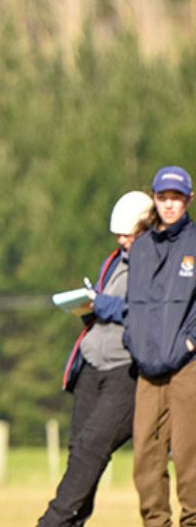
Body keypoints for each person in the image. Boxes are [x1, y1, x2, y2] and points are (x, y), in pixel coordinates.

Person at [37, 190, 153, 527]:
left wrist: (102, 304)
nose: (121, 241)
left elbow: (146, 313)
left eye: (128, 235)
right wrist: (89, 308)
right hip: (92, 364)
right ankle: (69, 523)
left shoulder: (158, 266)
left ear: (146, 230)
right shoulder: (115, 260)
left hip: (126, 372)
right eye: (118, 235)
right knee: (79, 453)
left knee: (91, 450)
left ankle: (50, 523)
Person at [123, 165, 196, 527]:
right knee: (146, 461)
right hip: (147, 369)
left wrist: (191, 341)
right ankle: (155, 523)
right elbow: (132, 303)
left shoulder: (194, 245)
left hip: (187, 366)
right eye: (163, 198)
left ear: (188, 201)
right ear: (154, 199)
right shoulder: (141, 249)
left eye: (176, 198)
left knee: (188, 455)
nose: (169, 205)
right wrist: (132, 339)